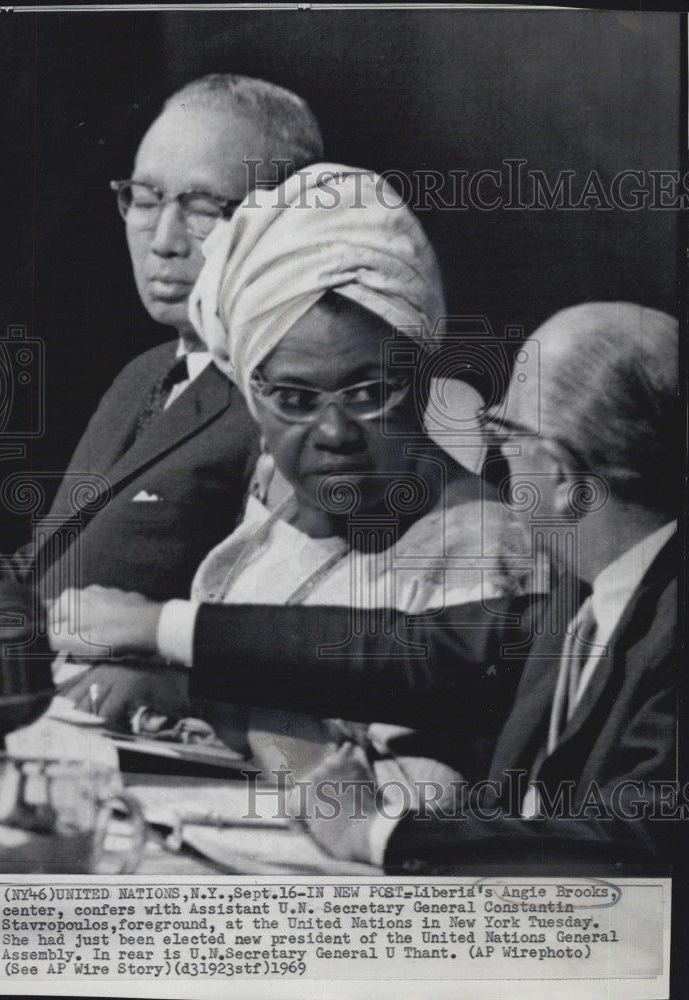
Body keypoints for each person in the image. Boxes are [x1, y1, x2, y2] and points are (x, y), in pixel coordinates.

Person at [50, 301, 678, 868]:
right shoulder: (588, 593)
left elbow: (636, 843)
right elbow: (402, 649)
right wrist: (163, 628)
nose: (499, 463)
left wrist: (376, 829)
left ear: (564, 476)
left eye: (506, 436)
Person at [50, 165, 535, 777]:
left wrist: (205, 700)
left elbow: (419, 804)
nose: (334, 434)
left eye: (368, 391)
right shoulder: (274, 526)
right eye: (296, 400)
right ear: (254, 399)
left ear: (419, 378)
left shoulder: (483, 553)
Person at [0, 74, 324, 711]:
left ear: (282, 222)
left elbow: (304, 647)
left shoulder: (288, 404)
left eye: (200, 209)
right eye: (144, 198)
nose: (162, 239)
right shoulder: (142, 373)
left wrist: (180, 692)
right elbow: (56, 560)